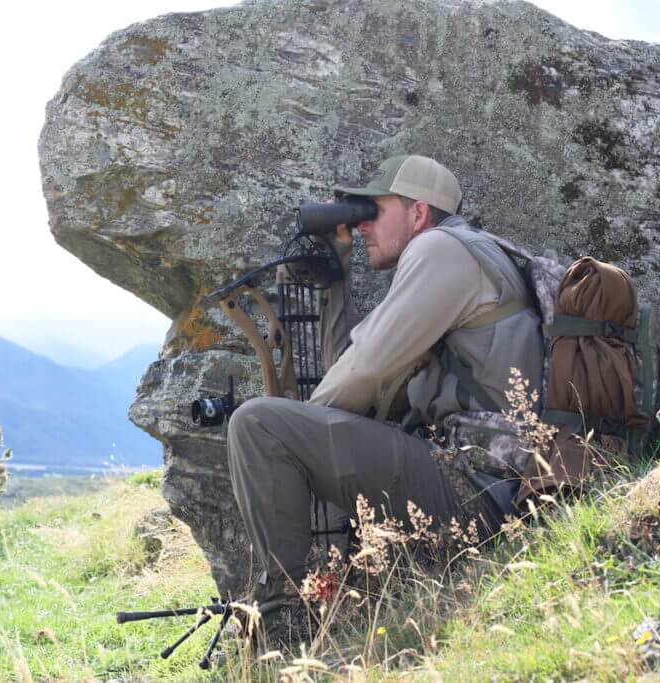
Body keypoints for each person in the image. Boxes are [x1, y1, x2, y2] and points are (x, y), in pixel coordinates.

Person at [227, 154, 544, 641]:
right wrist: (339, 277)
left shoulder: (440, 249)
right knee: (284, 428)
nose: (363, 226)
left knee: (257, 424)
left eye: (373, 211)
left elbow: (365, 372)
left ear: (418, 214)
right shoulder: (466, 254)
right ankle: (316, 605)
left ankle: (281, 627)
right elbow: (358, 381)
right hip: (485, 486)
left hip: (478, 493)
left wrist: (290, 432)